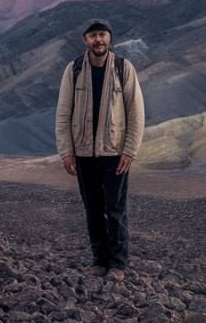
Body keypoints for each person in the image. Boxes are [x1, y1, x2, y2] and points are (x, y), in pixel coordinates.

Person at [55, 20, 145, 282]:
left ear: (109, 39)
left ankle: (118, 263)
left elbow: (136, 112)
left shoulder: (123, 68)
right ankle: (99, 261)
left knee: (115, 209)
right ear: (85, 40)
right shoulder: (74, 69)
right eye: (93, 36)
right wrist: (66, 152)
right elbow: (63, 113)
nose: (98, 40)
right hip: (83, 154)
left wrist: (129, 150)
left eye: (102, 35)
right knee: (93, 209)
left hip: (115, 153)